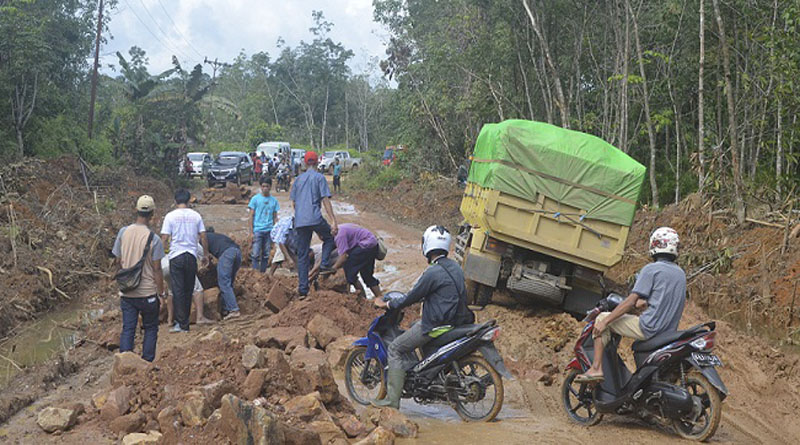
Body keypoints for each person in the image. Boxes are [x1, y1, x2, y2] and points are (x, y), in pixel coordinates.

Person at [371, 225, 474, 409]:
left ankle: (392, 401)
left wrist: (388, 304)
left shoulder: (432, 272)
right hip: (454, 322)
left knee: (395, 348)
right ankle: (424, 375)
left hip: (435, 325)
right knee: (413, 324)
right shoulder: (456, 267)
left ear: (426, 245)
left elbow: (412, 297)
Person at [575, 227, 686, 383]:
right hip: (668, 333)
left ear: (655, 245)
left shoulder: (651, 270)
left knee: (602, 318)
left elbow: (630, 301)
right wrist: (642, 304)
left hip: (649, 327)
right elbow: (659, 299)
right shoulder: (680, 274)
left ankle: (596, 368)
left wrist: (607, 321)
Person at [112, 195, 166, 362]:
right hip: (148, 293)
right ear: (153, 214)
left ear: (136, 210)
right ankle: (147, 364)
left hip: (127, 292)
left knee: (128, 328)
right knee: (150, 328)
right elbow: (157, 270)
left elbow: (117, 261)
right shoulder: (154, 239)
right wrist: (161, 294)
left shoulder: (123, 232)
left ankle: (124, 364)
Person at [161, 189, 210, 333]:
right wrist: (205, 255)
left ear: (175, 201)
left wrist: (163, 254)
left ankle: (180, 323)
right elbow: (203, 236)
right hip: (191, 256)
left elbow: (164, 238)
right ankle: (185, 324)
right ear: (189, 201)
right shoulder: (196, 216)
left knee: (177, 290)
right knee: (189, 289)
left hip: (176, 256)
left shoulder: (170, 216)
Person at [290, 151, 338, 298]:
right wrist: (333, 221)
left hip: (300, 221)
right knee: (330, 238)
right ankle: (324, 264)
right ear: (317, 163)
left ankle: (303, 290)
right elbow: (325, 200)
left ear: (304, 164)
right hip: (315, 218)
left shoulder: (297, 180)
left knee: (302, 255)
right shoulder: (319, 178)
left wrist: (301, 216)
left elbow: (293, 202)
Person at [317, 223, 382, 299]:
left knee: (349, 274)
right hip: (372, 244)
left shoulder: (338, 236)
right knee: (367, 276)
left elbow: (343, 257)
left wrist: (332, 269)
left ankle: (362, 299)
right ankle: (380, 298)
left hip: (365, 246)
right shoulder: (336, 229)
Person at [162, 256, 212, 325]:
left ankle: (170, 320)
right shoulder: (192, 244)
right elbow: (202, 256)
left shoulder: (165, 245)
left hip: (164, 266)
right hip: (179, 262)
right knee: (197, 289)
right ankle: (200, 317)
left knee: (172, 291)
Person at [205, 227, 243, 319]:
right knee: (229, 282)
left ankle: (234, 310)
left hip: (226, 254)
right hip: (237, 252)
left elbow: (204, 257)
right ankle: (226, 309)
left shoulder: (204, 238)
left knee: (223, 282)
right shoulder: (217, 237)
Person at [248, 177, 280, 272]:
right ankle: (255, 273)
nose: (265, 188)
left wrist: (276, 232)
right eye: (263, 186)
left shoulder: (274, 201)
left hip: (269, 230)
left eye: (267, 186)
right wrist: (251, 232)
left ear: (270, 187)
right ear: (260, 187)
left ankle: (262, 273)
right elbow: (251, 216)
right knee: (255, 254)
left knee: (266, 254)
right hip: (258, 230)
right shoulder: (255, 199)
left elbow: (275, 217)